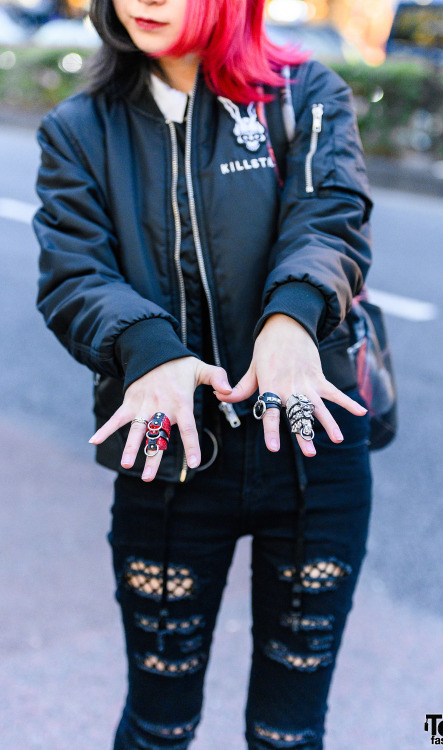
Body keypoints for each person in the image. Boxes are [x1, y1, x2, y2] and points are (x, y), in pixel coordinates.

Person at [33, 0, 374, 747]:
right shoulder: (79, 128)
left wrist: (291, 321)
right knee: (160, 728)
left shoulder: (304, 93)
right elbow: (73, 274)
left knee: (288, 735)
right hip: (169, 454)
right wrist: (147, 349)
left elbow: (331, 217)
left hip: (314, 451)